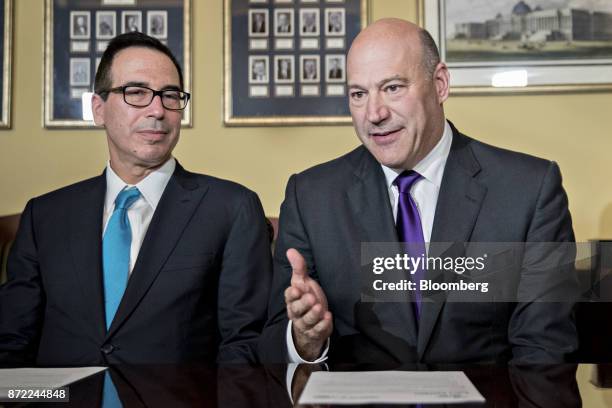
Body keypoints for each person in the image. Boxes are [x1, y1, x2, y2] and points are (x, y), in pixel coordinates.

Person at [259, 18, 577, 365]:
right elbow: (273, 343)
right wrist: (306, 340)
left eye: (393, 88)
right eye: (358, 94)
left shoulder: (530, 190)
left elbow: (545, 350)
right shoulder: (311, 197)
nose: (374, 114)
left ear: (439, 84)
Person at [0, 32, 272, 366]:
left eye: (170, 95)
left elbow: (244, 345)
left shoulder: (232, 208)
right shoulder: (44, 216)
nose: (158, 110)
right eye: (137, 92)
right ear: (98, 109)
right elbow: (12, 343)